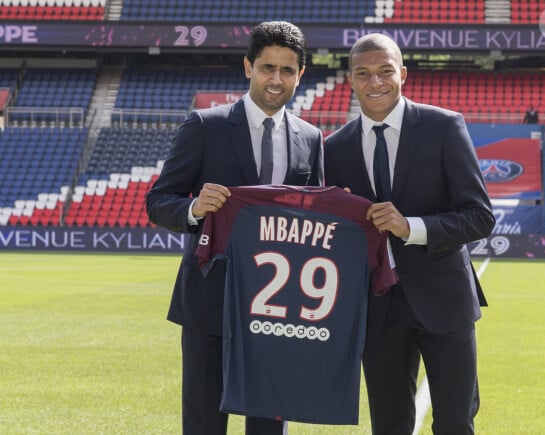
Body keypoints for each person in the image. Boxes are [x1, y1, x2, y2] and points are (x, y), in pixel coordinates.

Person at [146, 21, 323, 435]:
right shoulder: (204, 126)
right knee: (205, 423)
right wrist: (194, 208)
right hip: (210, 300)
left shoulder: (312, 138)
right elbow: (158, 202)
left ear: (301, 74)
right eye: (266, 67)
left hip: (278, 307)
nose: (276, 79)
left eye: (286, 70)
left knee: (268, 426)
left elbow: (313, 218)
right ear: (248, 67)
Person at [324, 33, 495, 434]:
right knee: (388, 425)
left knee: (455, 422)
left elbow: (479, 216)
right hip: (377, 308)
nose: (375, 82)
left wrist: (411, 227)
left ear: (402, 73)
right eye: (363, 74)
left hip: (444, 301)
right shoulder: (333, 148)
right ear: (351, 80)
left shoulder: (444, 127)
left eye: (385, 71)